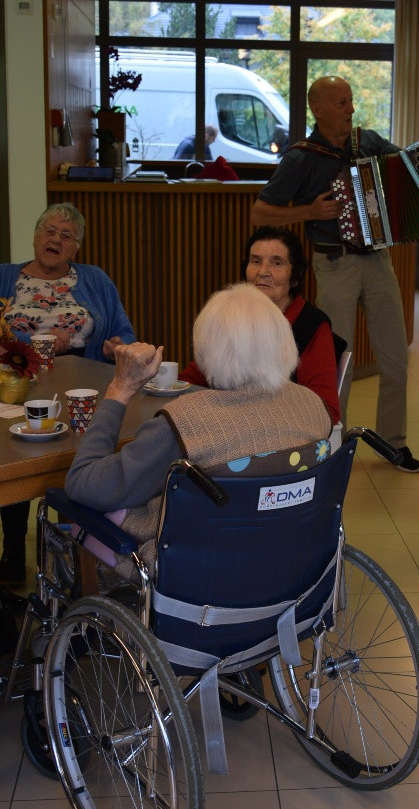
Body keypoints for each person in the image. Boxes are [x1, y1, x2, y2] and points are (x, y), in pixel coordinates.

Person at [251, 75, 419, 473]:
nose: (351, 110)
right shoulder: (301, 158)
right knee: (335, 361)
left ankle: (394, 443)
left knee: (395, 358)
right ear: (319, 109)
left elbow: (412, 167)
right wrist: (309, 211)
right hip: (334, 263)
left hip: (378, 261)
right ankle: (332, 443)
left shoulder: (369, 143)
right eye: (342, 103)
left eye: (350, 101)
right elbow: (259, 213)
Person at [65, 283, 332, 577]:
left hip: (199, 576)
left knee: (87, 518)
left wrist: (120, 387)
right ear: (282, 340)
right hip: (286, 565)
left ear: (206, 349)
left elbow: (83, 484)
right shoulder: (313, 406)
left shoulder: (184, 423)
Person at [0, 202, 135, 584]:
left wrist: (115, 347)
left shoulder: (94, 278)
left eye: (66, 235)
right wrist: (36, 340)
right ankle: (12, 551)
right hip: (15, 383)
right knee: (18, 455)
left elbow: (124, 331)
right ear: (35, 235)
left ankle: (69, 554)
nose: (55, 239)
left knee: (75, 460)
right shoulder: (4, 276)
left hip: (83, 382)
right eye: (49, 230)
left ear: (76, 248)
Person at [180, 227, 341, 422]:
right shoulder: (231, 315)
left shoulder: (312, 325)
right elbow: (193, 378)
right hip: (226, 425)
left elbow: (326, 410)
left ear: (295, 275)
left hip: (281, 434)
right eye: (256, 261)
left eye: (277, 262)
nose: (263, 272)